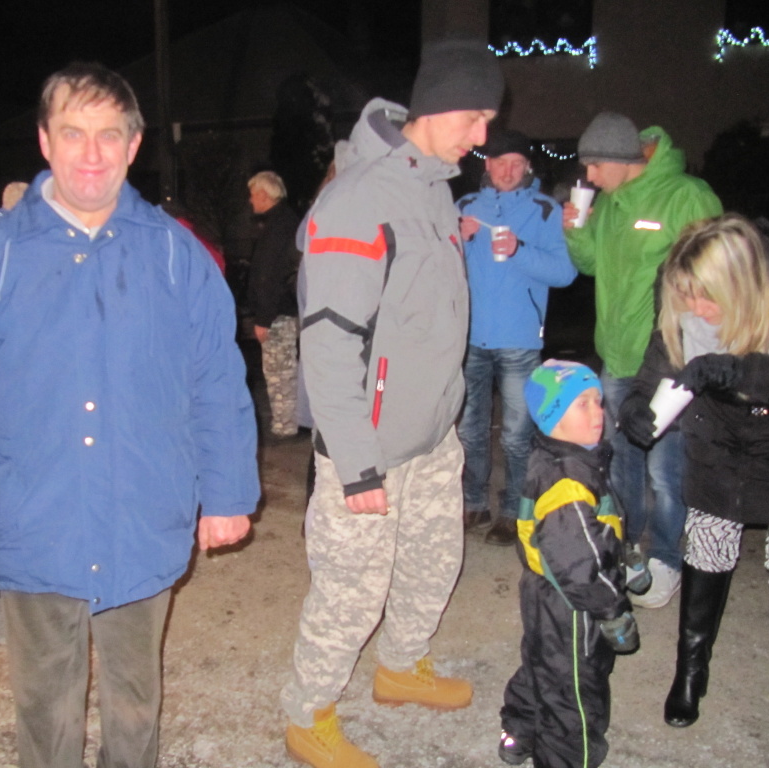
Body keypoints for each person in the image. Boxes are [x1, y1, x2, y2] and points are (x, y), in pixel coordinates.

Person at [0, 62, 259, 768]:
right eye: (73, 133)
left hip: (142, 518)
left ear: (135, 144)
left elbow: (217, 381)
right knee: (45, 707)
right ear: (45, 141)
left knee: (136, 702)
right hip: (33, 520)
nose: (91, 153)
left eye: (109, 134)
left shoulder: (175, 254)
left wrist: (227, 494)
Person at [282, 39, 503, 768]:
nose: (482, 135)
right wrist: (356, 465)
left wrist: (447, 420)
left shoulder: (434, 187)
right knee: (350, 593)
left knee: (432, 564)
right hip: (370, 444)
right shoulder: (358, 200)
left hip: (432, 433)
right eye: (475, 117)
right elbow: (328, 344)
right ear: (438, 105)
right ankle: (308, 712)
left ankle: (401, 667)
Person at [617, 215, 769, 738]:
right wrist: (637, 404)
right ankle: (691, 670)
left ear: (742, 285)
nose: (697, 312)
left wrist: (740, 370)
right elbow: (660, 359)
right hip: (721, 442)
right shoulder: (685, 292)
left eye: (707, 299)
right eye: (686, 299)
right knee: (708, 549)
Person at [564, 112, 722, 608]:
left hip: (669, 362)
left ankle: (667, 559)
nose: (589, 177)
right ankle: (628, 547)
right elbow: (590, 264)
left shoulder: (687, 196)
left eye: (595, 166)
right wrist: (576, 229)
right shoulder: (610, 205)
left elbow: (716, 275)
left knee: (665, 471)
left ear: (622, 158)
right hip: (616, 356)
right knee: (622, 463)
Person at [499, 360, 636, 768]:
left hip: (545, 593)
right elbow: (579, 562)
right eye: (582, 404)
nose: (598, 413)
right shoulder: (567, 484)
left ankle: (519, 729)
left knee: (542, 663)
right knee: (573, 690)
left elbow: (599, 524)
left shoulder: (571, 458)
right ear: (552, 416)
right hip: (571, 604)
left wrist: (626, 555)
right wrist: (612, 609)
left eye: (598, 401)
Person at [456, 129, 576, 545]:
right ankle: (473, 502)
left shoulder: (544, 210)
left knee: (516, 435)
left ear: (527, 167)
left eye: (516, 164)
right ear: (487, 164)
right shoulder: (465, 207)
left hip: (520, 339)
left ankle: (513, 511)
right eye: (500, 162)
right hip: (469, 337)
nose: (507, 171)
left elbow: (565, 273)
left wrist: (520, 250)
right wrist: (459, 242)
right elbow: (441, 266)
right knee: (469, 430)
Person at [247, 170, 301, 438]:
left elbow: (270, 276)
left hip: (278, 313)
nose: (250, 200)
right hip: (284, 309)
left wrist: (263, 319)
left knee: (279, 371)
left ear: (264, 195)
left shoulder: (278, 227)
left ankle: (285, 425)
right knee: (283, 369)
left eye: (252, 194)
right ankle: (287, 422)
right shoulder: (285, 222)